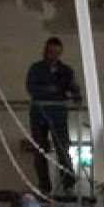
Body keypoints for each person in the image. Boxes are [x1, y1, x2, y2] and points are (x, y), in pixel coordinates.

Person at [25, 37, 81, 196]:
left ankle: (68, 184)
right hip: (39, 113)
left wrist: (76, 93)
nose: (53, 56)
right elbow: (31, 88)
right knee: (40, 150)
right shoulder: (36, 69)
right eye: (50, 52)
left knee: (63, 148)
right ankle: (44, 186)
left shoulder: (66, 71)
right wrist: (50, 91)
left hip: (58, 113)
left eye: (56, 53)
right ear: (45, 51)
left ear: (60, 53)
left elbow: (73, 90)